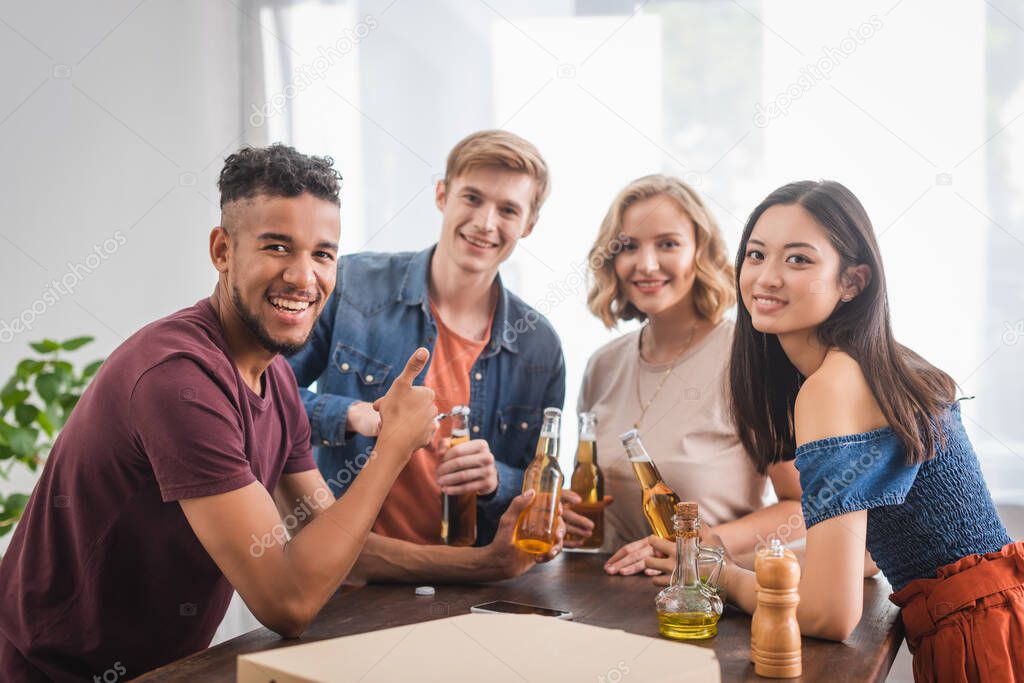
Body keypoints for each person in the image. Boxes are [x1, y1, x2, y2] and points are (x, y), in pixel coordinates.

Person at [0, 145, 561, 682]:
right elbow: (287, 603)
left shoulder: (274, 378)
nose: (303, 276)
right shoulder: (179, 380)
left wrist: (487, 564)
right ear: (222, 251)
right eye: (276, 247)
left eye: (322, 254)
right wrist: (392, 447)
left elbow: (339, 545)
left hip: (167, 670)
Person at [645, 180, 1021, 680]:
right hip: (996, 618)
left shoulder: (833, 385)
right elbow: (866, 555)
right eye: (757, 254)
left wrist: (719, 576)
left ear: (853, 282)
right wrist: (750, 558)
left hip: (982, 639)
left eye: (798, 260)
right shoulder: (869, 366)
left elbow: (829, 615)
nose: (767, 277)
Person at [288, 130, 565, 547]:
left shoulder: (540, 347)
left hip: (472, 582)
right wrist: (351, 414)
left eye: (508, 209)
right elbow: (262, 396)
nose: (485, 223)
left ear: (529, 224)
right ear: (442, 194)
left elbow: (542, 486)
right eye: (472, 198)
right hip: (348, 571)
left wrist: (497, 480)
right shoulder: (351, 285)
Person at [564, 174, 804, 574]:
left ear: (700, 253)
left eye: (668, 244)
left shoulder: (752, 359)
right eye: (628, 246)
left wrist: (704, 545)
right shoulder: (602, 365)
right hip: (603, 596)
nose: (646, 264)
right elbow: (595, 506)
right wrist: (568, 518)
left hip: (706, 599)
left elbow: (802, 508)